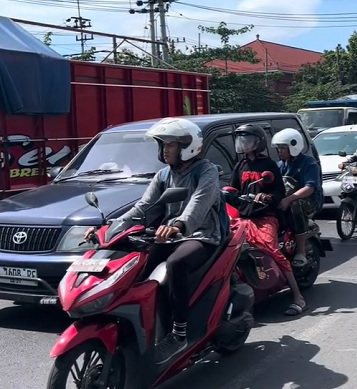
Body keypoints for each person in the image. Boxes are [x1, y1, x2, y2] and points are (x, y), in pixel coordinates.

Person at [85, 117, 221, 364]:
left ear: (187, 146)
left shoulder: (206, 170)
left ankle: (178, 334)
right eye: (163, 145)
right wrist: (108, 228)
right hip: (167, 236)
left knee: (176, 264)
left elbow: (199, 202)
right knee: (138, 267)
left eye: (170, 145)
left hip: (201, 235)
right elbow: (142, 207)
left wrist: (179, 224)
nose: (164, 150)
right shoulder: (163, 175)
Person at [230, 124, 308, 316]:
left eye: (246, 139)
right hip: (243, 216)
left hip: (265, 216)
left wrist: (266, 197)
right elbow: (232, 190)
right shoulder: (240, 165)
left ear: (258, 142)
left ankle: (298, 297)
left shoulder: (268, 165)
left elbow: (279, 192)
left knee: (270, 248)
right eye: (240, 139)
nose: (242, 143)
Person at [271, 128, 323, 267]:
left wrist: (288, 199)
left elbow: (309, 188)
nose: (280, 151)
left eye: (283, 147)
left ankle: (301, 251)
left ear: (293, 146)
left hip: (311, 199)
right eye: (279, 147)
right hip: (288, 197)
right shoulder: (280, 165)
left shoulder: (309, 163)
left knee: (295, 205)